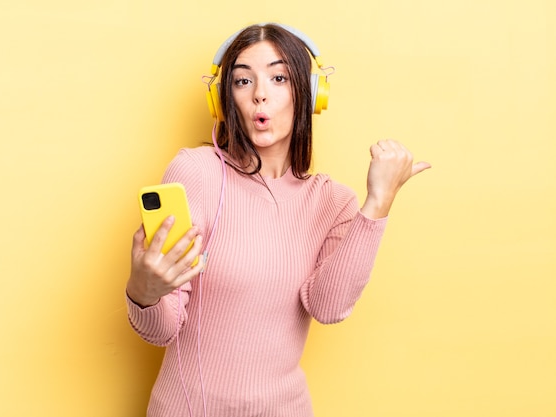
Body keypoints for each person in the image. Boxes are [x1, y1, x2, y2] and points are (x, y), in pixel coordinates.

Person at [125, 23, 430, 417]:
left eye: (279, 77)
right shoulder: (194, 173)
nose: (259, 94)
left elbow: (329, 307)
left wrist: (378, 203)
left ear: (310, 94)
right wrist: (143, 293)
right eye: (242, 80)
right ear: (223, 100)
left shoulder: (332, 201)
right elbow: (160, 329)